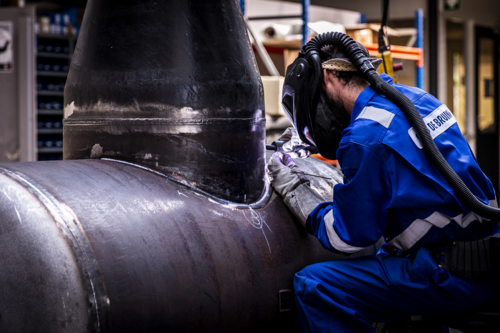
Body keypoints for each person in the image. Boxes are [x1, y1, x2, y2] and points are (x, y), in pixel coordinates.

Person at [267, 42, 499, 332]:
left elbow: (347, 238)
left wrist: (295, 190)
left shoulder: (363, 137)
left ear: (325, 78)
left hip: (448, 273)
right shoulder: (418, 98)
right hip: (484, 258)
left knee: (316, 285)